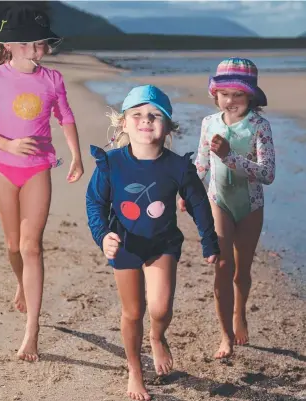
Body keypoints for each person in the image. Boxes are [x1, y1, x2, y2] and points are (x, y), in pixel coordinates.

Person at [86, 85, 220, 400]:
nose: (146, 121)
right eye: (138, 115)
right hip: (126, 244)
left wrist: (209, 241)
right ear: (123, 123)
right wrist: (103, 235)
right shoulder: (111, 164)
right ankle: (135, 369)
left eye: (155, 115)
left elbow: (198, 203)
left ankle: (158, 336)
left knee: (160, 308)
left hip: (162, 244)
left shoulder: (178, 166)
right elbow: (95, 204)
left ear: (168, 126)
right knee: (133, 311)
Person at [0, 5, 83, 362]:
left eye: (43, 44)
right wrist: (9, 145)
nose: (40, 51)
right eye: (33, 45)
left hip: (37, 169)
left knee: (32, 247)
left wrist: (76, 155)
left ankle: (32, 331)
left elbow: (65, 116)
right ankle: (21, 282)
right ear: (13, 45)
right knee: (14, 245)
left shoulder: (52, 80)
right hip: (2, 168)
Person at [178, 57, 275, 358]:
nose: (230, 101)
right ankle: (225, 336)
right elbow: (202, 164)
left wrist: (231, 156)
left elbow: (267, 174)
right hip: (217, 201)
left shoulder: (260, 126)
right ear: (214, 94)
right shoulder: (209, 123)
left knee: (241, 272)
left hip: (251, 205)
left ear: (251, 97)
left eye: (238, 95)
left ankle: (239, 313)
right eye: (224, 94)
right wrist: (187, 190)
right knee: (222, 266)